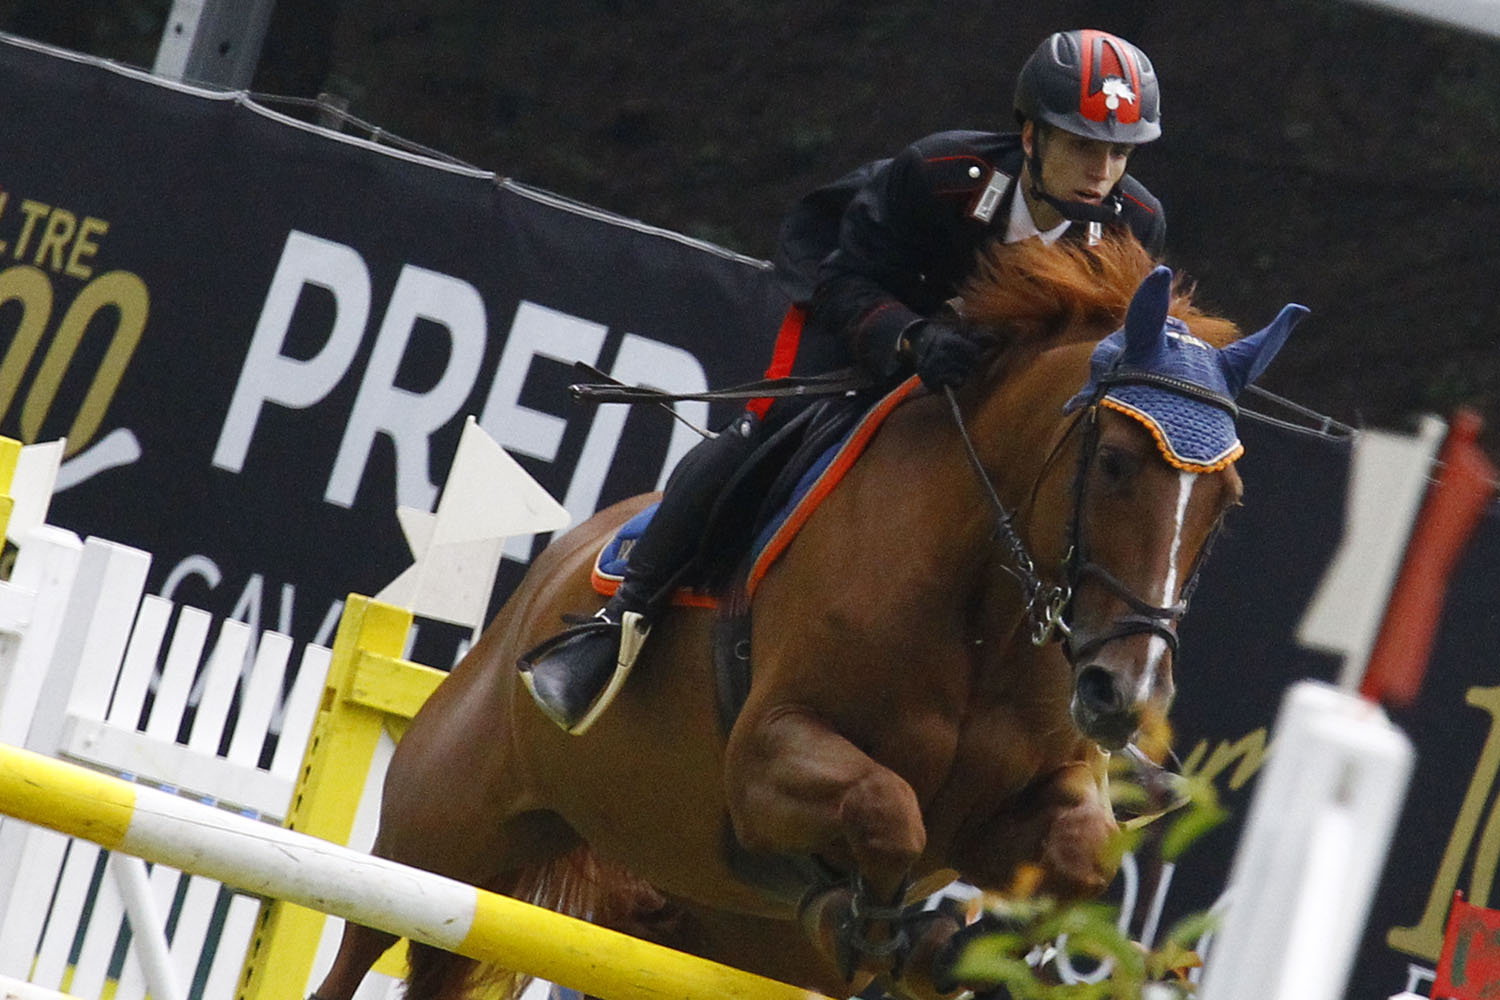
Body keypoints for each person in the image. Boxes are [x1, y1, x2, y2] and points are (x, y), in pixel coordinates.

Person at [521, 28, 1168, 734]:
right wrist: (910, 338)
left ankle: (1101, 719)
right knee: (759, 438)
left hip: (987, 373)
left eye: (1120, 151)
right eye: (1082, 144)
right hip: (862, 316)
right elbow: (843, 279)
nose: (1102, 169)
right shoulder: (943, 174)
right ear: (1031, 135)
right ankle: (618, 623)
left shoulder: (1136, 225)